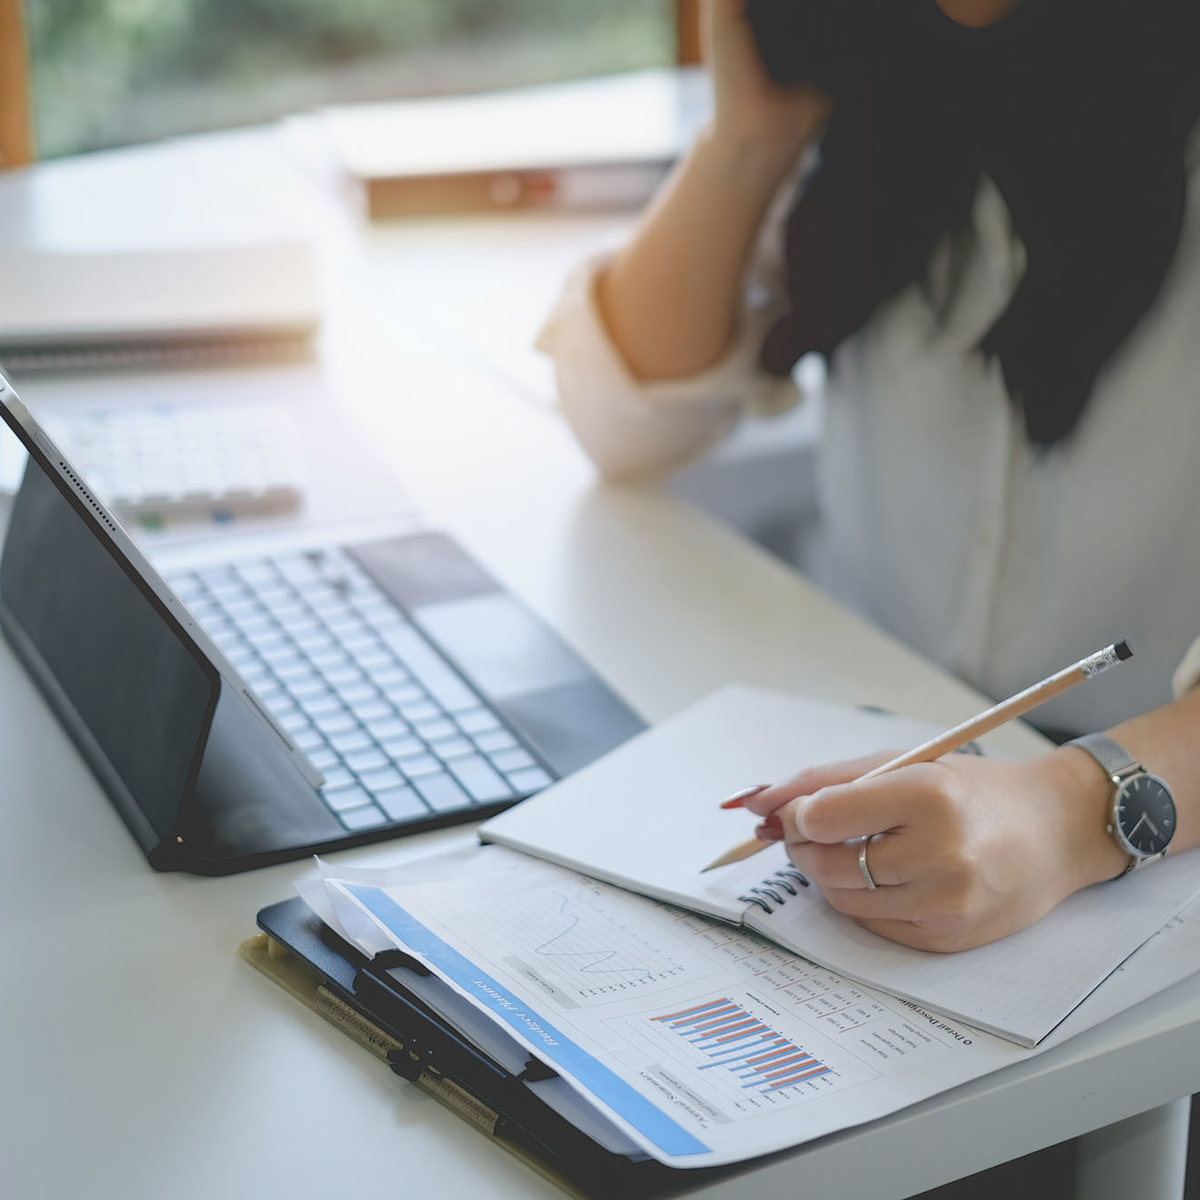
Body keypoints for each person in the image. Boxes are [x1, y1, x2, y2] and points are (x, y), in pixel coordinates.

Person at [537, 0, 1200, 954]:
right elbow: (624, 419)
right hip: (869, 747)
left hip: (1135, 848)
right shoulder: (887, 80)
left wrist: (1075, 807)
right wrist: (748, 135)